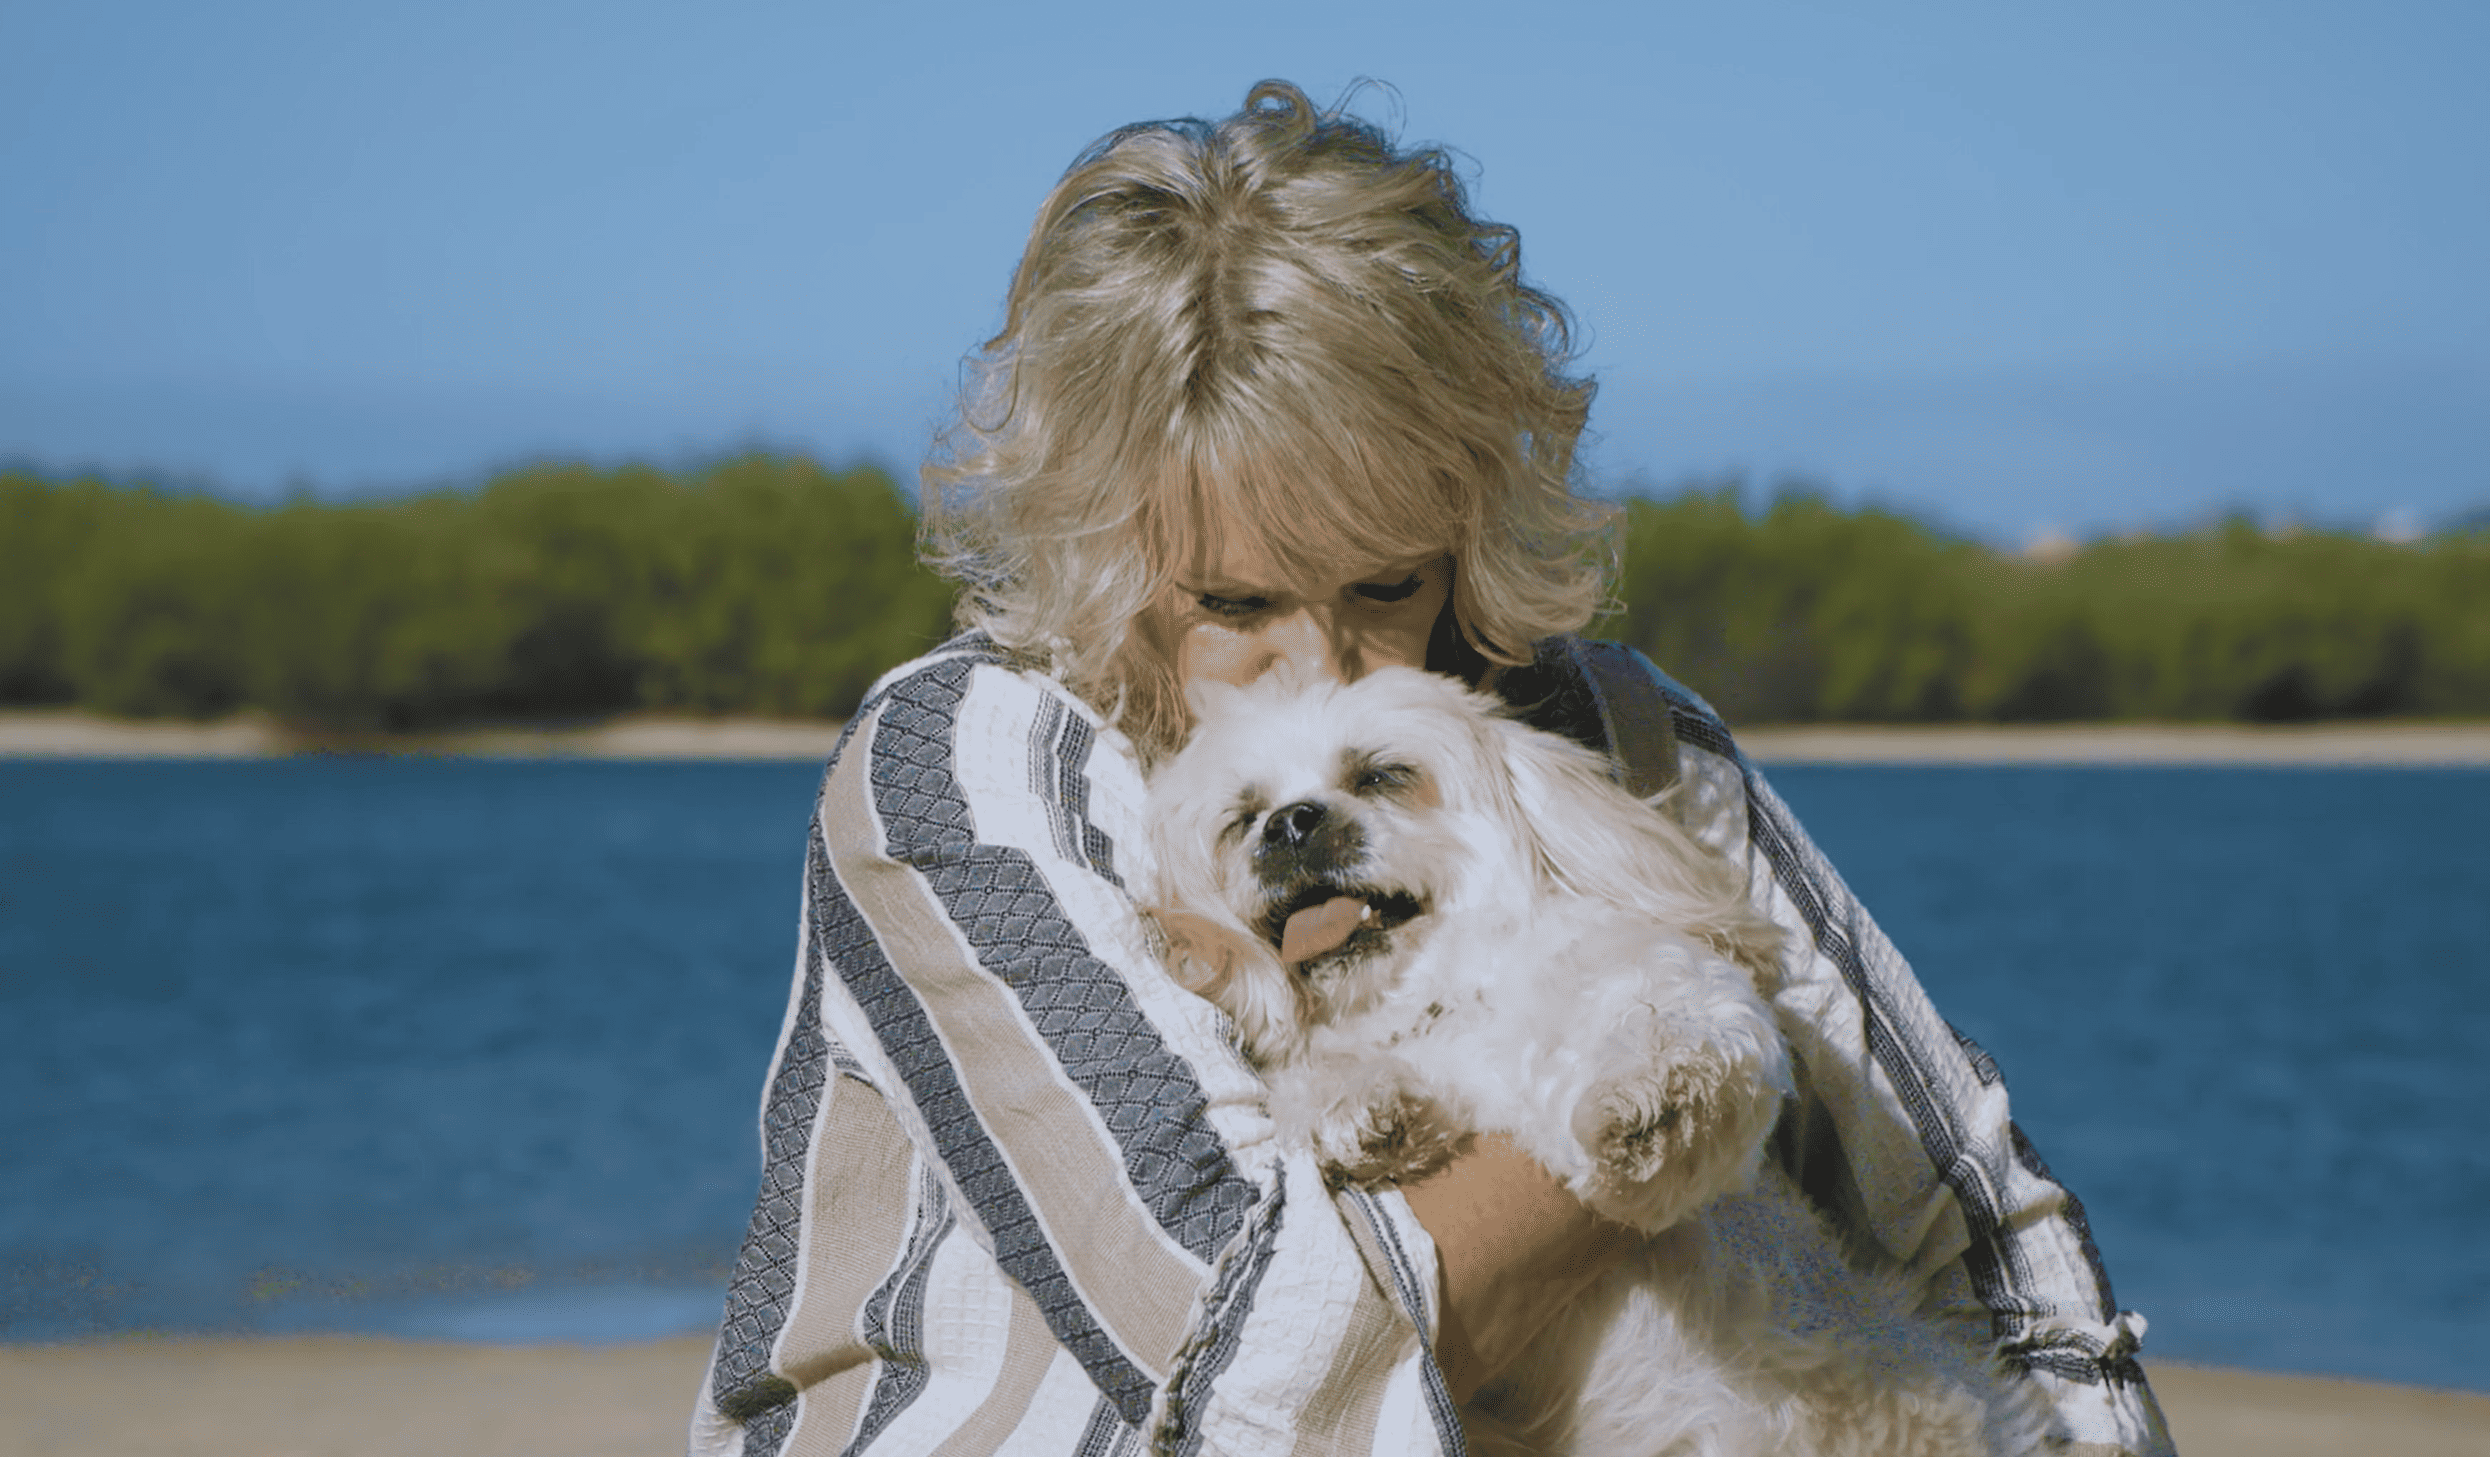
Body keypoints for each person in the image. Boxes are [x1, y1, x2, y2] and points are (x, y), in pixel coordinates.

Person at [691, 81, 2170, 1457]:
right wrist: (1652, 1093)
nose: (1327, 668)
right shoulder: (959, 776)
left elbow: (1977, 1229)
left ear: (1469, 525)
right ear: (1106, 556)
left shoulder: (1608, 735)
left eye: (1387, 585)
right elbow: (1267, 1372)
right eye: (1236, 604)